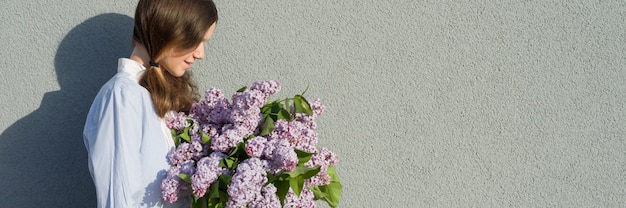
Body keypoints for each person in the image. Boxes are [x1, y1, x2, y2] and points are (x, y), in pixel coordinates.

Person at [83, 0, 218, 207]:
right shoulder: (123, 96)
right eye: (196, 40)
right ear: (170, 29)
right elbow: (119, 198)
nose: (201, 54)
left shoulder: (157, 96)